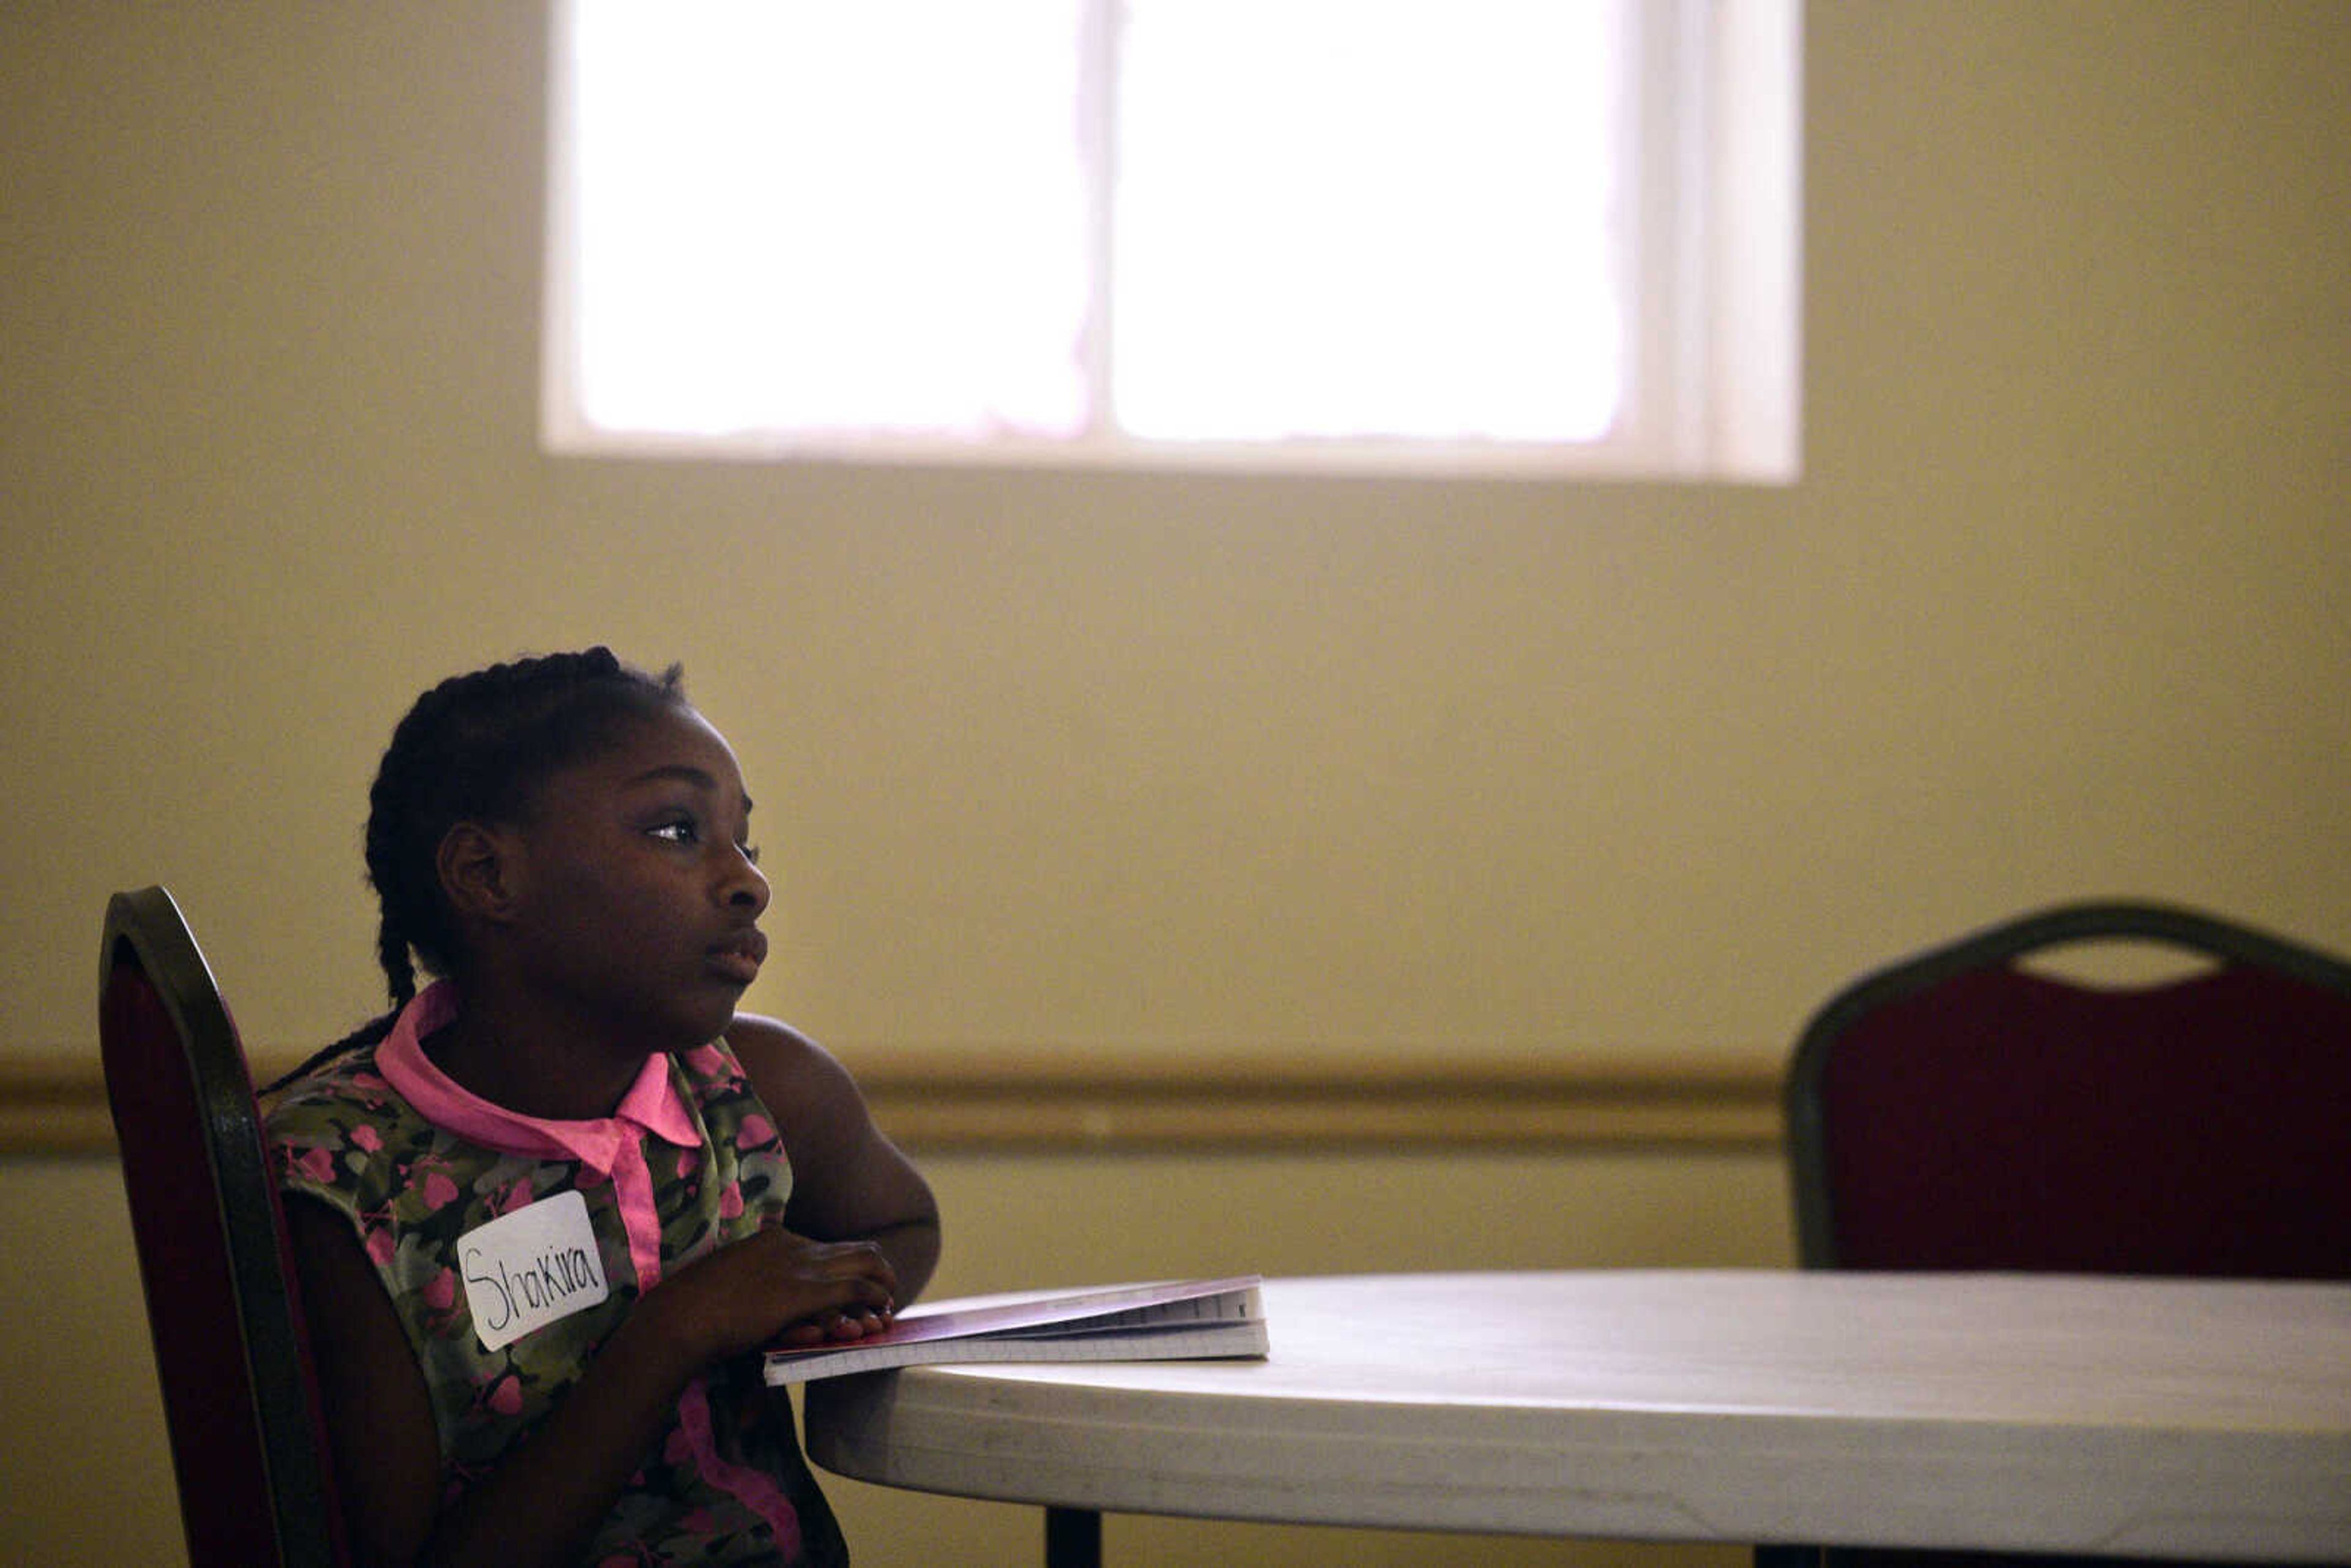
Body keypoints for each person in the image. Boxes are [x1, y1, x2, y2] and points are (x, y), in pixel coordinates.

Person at [266, 648, 940, 1568]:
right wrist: (674, 1333)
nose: (748, 880)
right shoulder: (346, 1180)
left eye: (746, 842)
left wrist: (827, 1299)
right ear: (488, 875)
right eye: (676, 830)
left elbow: (901, 1220)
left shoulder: (756, 1088)